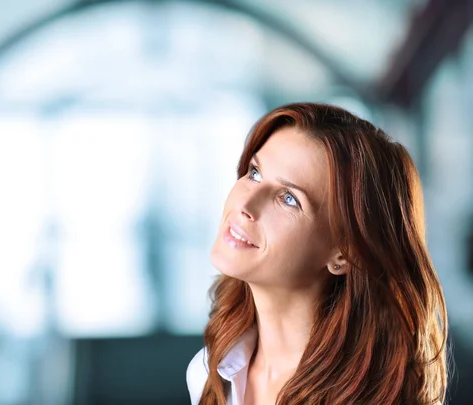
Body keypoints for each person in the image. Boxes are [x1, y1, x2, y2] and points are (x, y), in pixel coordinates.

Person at [186, 103, 448, 405]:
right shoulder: (208, 372)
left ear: (345, 255)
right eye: (255, 173)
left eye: (288, 199)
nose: (245, 205)